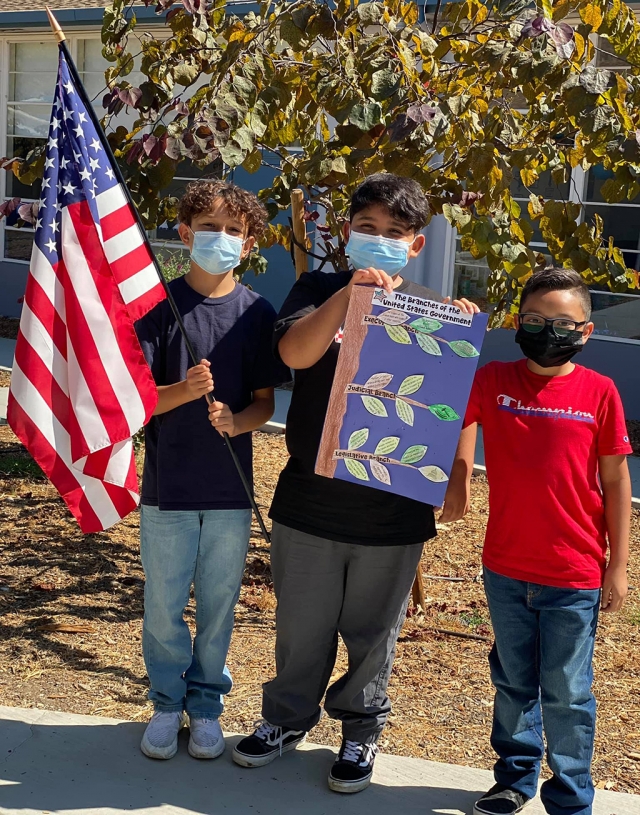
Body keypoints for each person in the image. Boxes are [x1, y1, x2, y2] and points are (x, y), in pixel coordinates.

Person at [232, 173, 478, 793]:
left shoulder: (433, 309)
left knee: (374, 633)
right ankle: (285, 720)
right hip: (309, 503)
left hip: (394, 514)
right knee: (301, 627)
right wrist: (348, 297)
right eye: (367, 228)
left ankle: (361, 728)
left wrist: (458, 477)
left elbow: (454, 403)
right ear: (346, 233)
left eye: (395, 233)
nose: (379, 241)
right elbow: (293, 356)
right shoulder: (317, 288)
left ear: (416, 245)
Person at [444, 267, 632, 815]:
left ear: (587, 331)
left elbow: (617, 481)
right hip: (505, 567)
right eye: (533, 319)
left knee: (568, 691)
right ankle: (514, 779)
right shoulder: (494, 378)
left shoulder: (600, 392)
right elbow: (456, 411)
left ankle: (571, 794)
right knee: (513, 681)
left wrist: (617, 566)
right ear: (517, 321)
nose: (546, 330)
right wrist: (457, 327)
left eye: (561, 322)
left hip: (574, 573)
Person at [135, 180, 290, 761]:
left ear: (248, 244)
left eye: (233, 230)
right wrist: (184, 390)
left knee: (220, 604)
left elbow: (265, 404)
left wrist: (236, 421)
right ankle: (165, 703)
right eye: (209, 227)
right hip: (167, 490)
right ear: (183, 233)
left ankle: (204, 709)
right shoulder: (157, 306)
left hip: (230, 491)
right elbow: (140, 400)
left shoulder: (257, 313)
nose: (220, 238)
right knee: (164, 604)